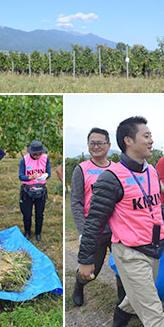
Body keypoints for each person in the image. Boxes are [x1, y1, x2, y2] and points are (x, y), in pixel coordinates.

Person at [77, 116, 164, 327]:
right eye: (146, 136)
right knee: (154, 314)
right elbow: (94, 222)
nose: (151, 141)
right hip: (130, 253)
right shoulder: (111, 178)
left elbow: (151, 204)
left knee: (133, 299)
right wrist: (85, 259)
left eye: (151, 136)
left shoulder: (152, 172)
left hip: (155, 249)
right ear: (128, 141)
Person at [70, 127, 123, 307]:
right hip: (95, 230)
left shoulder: (118, 169)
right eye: (92, 143)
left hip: (118, 229)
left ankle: (123, 303)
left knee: (122, 268)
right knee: (92, 270)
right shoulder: (82, 169)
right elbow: (76, 202)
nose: (96, 146)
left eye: (100, 143)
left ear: (108, 145)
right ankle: (79, 284)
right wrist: (83, 230)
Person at [19, 140, 51, 243]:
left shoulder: (45, 158)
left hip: (40, 191)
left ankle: (38, 233)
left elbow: (48, 173)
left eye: (40, 154)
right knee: (27, 213)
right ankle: (27, 232)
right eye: (35, 154)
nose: (38, 156)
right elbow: (21, 176)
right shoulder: (24, 160)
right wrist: (31, 177)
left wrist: (44, 176)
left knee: (39, 214)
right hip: (27, 191)